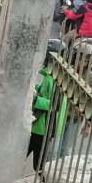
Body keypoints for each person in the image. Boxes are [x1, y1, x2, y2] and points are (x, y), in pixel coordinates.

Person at [28, 40, 67, 172]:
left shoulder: (56, 79)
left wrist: (35, 99)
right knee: (31, 156)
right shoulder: (51, 75)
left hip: (46, 126)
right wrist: (35, 89)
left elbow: (54, 104)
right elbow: (46, 92)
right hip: (40, 125)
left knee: (38, 165)